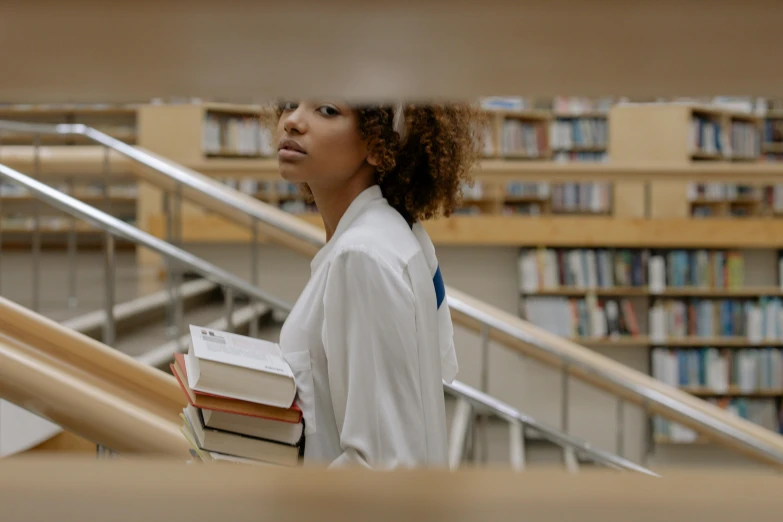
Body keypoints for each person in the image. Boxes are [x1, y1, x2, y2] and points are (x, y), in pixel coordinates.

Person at [275, 100, 483, 469]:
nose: (291, 121)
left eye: (326, 110)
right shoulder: (376, 236)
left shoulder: (362, 255)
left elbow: (384, 467)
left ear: (377, 144)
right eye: (291, 104)